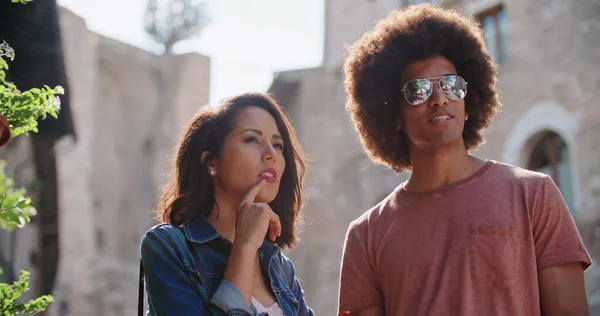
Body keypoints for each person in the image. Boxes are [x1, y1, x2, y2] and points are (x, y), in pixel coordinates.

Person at [338, 4, 591, 316]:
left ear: (468, 102)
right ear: (395, 114)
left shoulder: (533, 195)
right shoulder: (367, 235)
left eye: (452, 85)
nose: (440, 98)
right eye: (418, 90)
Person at [140, 92, 314, 315]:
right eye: (252, 139)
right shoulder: (169, 247)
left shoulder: (281, 268)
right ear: (212, 162)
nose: (271, 154)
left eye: (278, 145)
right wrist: (244, 247)